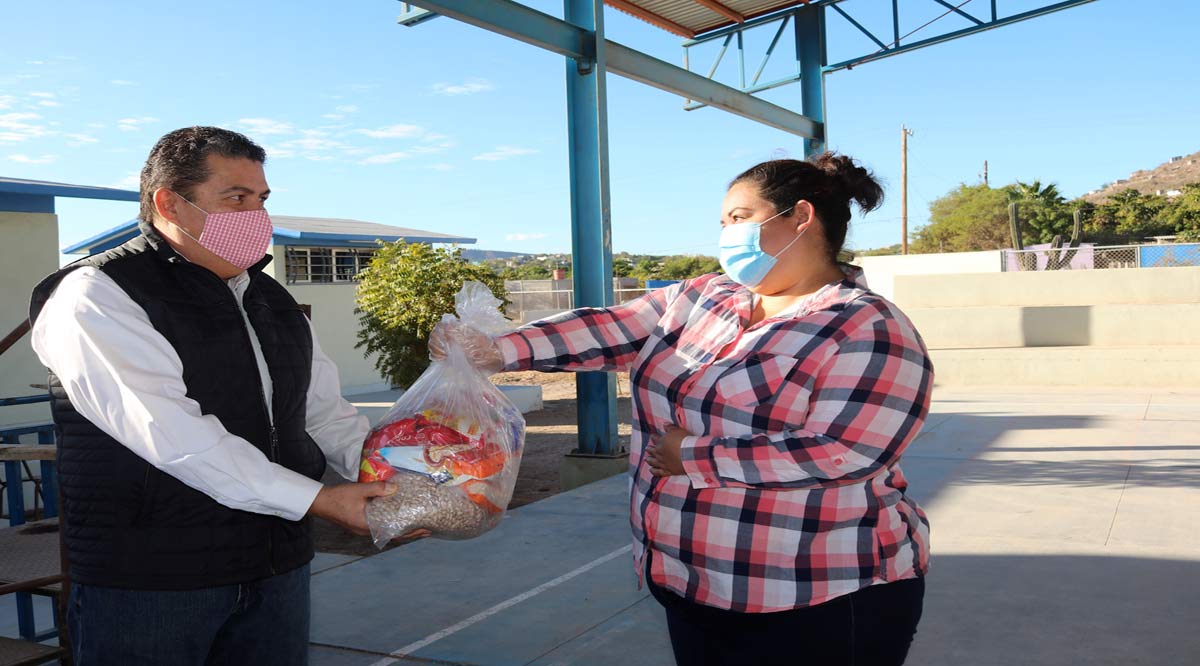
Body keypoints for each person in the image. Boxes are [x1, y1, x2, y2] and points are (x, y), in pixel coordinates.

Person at [433, 153, 932, 665]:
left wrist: (694, 457)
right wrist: (500, 347)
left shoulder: (867, 327)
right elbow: (608, 328)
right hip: (689, 582)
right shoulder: (705, 296)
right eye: (721, 223)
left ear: (800, 217)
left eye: (739, 218)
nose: (725, 234)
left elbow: (845, 452)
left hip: (815, 595)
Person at [28, 126, 411, 665]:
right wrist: (318, 500)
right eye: (236, 198)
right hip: (154, 579)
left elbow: (323, 413)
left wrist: (401, 477)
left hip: (276, 566)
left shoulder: (269, 298)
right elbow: (169, 433)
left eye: (261, 200)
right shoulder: (99, 294)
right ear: (171, 204)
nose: (257, 216)